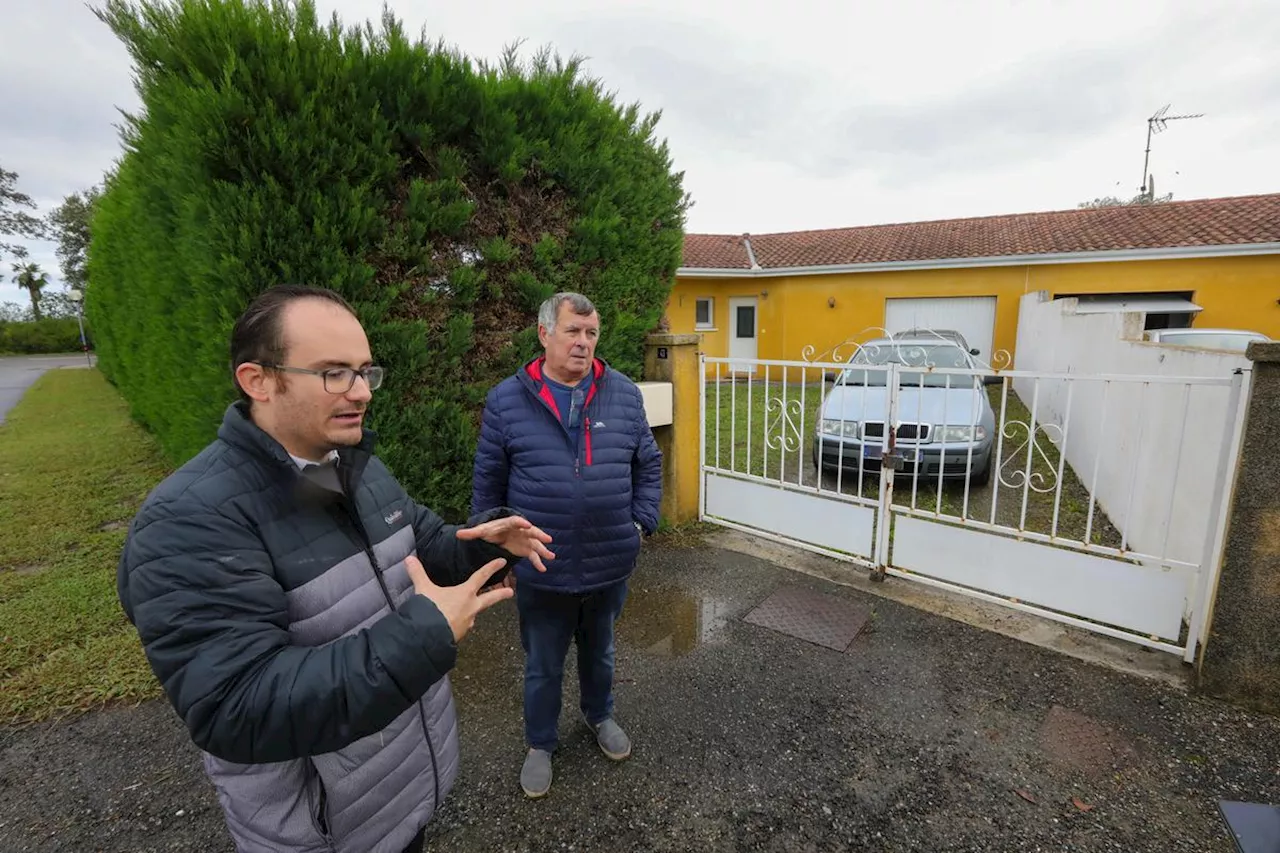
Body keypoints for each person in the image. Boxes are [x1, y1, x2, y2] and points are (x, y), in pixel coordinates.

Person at [116, 284, 555, 853]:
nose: (360, 392)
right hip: (324, 832)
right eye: (333, 373)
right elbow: (235, 707)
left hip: (397, 795)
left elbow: (421, 550)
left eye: (365, 372)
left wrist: (480, 545)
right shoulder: (189, 522)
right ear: (258, 381)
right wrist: (424, 635)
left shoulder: (351, 468)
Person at [471, 291, 662, 798]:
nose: (583, 343)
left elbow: (648, 463)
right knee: (543, 663)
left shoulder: (622, 393)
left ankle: (600, 717)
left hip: (608, 561)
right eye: (572, 332)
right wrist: (498, 558)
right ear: (544, 334)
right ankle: (540, 743)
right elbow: (488, 487)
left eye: (591, 333)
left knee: (600, 652)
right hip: (542, 567)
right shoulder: (506, 401)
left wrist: (640, 524)